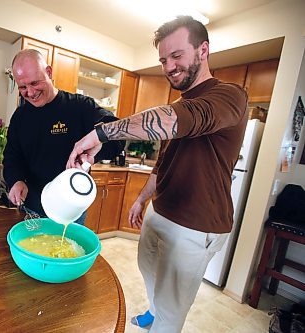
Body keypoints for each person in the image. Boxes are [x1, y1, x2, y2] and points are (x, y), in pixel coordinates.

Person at [66, 16, 248, 333]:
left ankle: (161, 320)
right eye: (163, 59)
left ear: (203, 50)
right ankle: (153, 312)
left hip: (197, 222)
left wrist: (100, 134)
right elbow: (164, 161)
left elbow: (177, 120)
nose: (168, 66)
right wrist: (141, 199)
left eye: (177, 55)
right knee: (148, 268)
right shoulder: (178, 102)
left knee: (172, 310)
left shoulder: (229, 96)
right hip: (161, 210)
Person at [3, 49, 124, 225]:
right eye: (22, 87)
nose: (30, 92)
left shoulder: (80, 106)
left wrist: (94, 152)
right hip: (31, 207)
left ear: (49, 72)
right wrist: (16, 180)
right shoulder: (20, 116)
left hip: (71, 210)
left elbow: (117, 136)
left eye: (34, 83)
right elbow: (12, 156)